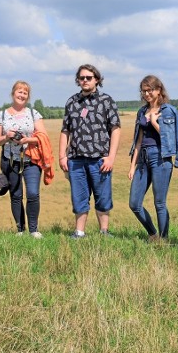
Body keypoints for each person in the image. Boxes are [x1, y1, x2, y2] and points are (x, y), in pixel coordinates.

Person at [58, 64, 121, 239]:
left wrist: (111, 157)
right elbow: (65, 130)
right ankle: (79, 232)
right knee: (79, 197)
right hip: (76, 159)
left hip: (99, 159)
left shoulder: (106, 101)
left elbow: (115, 129)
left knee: (103, 197)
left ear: (97, 80)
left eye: (89, 77)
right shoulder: (71, 102)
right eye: (82, 78)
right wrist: (62, 156)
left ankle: (104, 232)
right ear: (77, 80)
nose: (85, 80)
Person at [128, 75, 178, 241]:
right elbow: (138, 140)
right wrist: (132, 166)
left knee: (159, 202)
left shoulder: (168, 111)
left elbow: (170, 138)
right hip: (143, 160)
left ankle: (164, 239)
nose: (146, 94)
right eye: (143, 91)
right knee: (134, 203)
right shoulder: (141, 111)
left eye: (149, 90)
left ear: (159, 91)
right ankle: (153, 234)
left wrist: (154, 122)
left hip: (161, 158)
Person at [0, 81, 48, 238]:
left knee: (33, 194)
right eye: (19, 92)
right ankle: (20, 230)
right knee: (16, 195)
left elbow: (42, 137)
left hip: (31, 161)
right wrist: (6, 137)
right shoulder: (1, 115)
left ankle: (34, 230)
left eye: (25, 93)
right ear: (13, 93)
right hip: (10, 161)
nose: (22, 95)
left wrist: (26, 140)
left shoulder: (33, 114)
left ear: (28, 97)